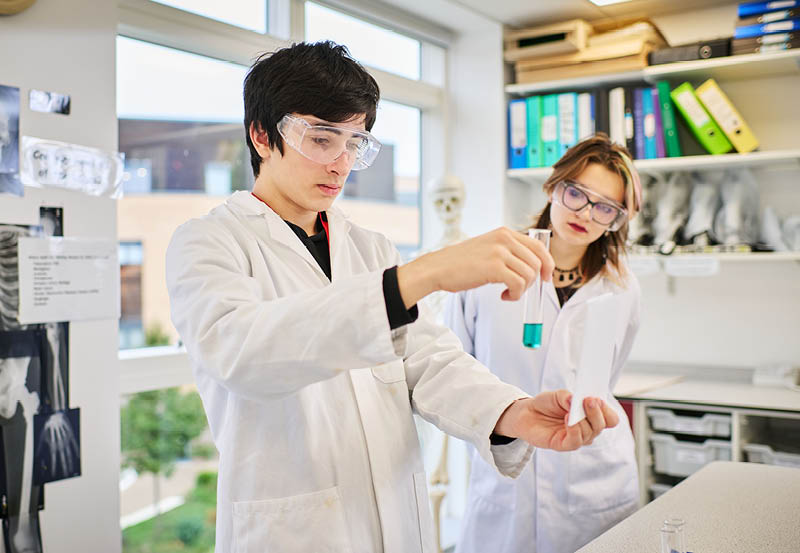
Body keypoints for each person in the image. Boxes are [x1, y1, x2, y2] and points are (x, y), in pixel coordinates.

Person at [165, 41, 621, 553]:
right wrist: (424, 275)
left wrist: (512, 413)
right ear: (262, 136)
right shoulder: (208, 242)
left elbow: (429, 362)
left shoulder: (370, 247)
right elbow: (242, 354)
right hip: (296, 531)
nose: (341, 164)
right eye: (322, 139)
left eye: (355, 143)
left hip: (396, 517)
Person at [446, 134, 643, 553]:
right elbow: (453, 370)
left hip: (592, 474)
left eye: (605, 207)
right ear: (554, 186)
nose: (585, 213)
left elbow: (609, 374)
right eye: (577, 193)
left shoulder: (622, 287)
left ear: (616, 219)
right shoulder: (487, 268)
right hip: (506, 472)